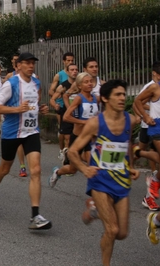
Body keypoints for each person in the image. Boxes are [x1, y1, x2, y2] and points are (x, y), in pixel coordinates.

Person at [67, 79, 139, 266]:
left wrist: (131, 166)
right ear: (106, 98)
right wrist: (84, 168)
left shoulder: (129, 120)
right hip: (100, 181)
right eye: (118, 94)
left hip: (122, 182)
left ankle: (96, 212)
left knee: (122, 233)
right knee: (112, 229)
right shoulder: (94, 124)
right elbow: (73, 151)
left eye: (124, 94)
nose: (123, 97)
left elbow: (128, 144)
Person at [0, 52, 52, 230]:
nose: (31, 66)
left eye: (32, 63)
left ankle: (35, 215)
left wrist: (40, 109)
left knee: (35, 170)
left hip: (31, 131)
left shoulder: (36, 83)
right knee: (5, 168)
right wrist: (16, 109)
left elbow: (33, 105)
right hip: (12, 132)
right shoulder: (11, 83)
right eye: (27, 63)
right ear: (18, 66)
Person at [49, 72, 99, 188]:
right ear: (80, 86)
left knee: (93, 164)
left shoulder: (96, 99)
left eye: (90, 81)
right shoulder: (78, 98)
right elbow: (66, 116)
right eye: (86, 82)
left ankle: (96, 194)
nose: (89, 84)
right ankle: (57, 172)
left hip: (91, 137)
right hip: (78, 137)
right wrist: (84, 122)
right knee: (72, 169)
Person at [133, 61, 160, 211]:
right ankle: (151, 189)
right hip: (156, 127)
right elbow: (137, 101)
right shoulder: (154, 87)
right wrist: (145, 117)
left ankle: (139, 152)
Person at [49, 63, 78, 161]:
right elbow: (52, 99)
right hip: (66, 114)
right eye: (72, 70)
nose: (74, 72)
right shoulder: (63, 86)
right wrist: (55, 105)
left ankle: (72, 156)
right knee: (67, 138)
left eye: (76, 70)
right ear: (68, 72)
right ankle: (65, 155)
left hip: (78, 114)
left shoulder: (80, 84)